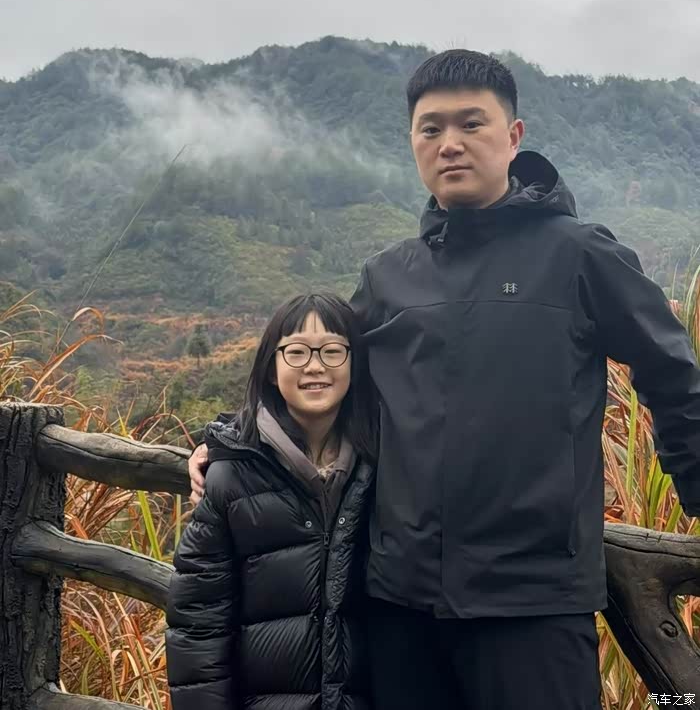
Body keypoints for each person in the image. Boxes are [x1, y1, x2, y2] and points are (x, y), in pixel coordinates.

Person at [190, 50, 700, 710]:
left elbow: (671, 371)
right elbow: (320, 379)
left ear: (513, 136)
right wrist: (230, 444)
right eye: (431, 128)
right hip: (400, 607)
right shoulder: (388, 276)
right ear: (412, 142)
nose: (450, 143)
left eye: (471, 124)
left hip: (533, 605)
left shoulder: (579, 254)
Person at [167, 293, 377, 710]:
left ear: (355, 363)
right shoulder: (232, 477)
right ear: (270, 365)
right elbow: (198, 623)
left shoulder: (380, 468)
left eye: (333, 351)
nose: (315, 366)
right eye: (296, 352)